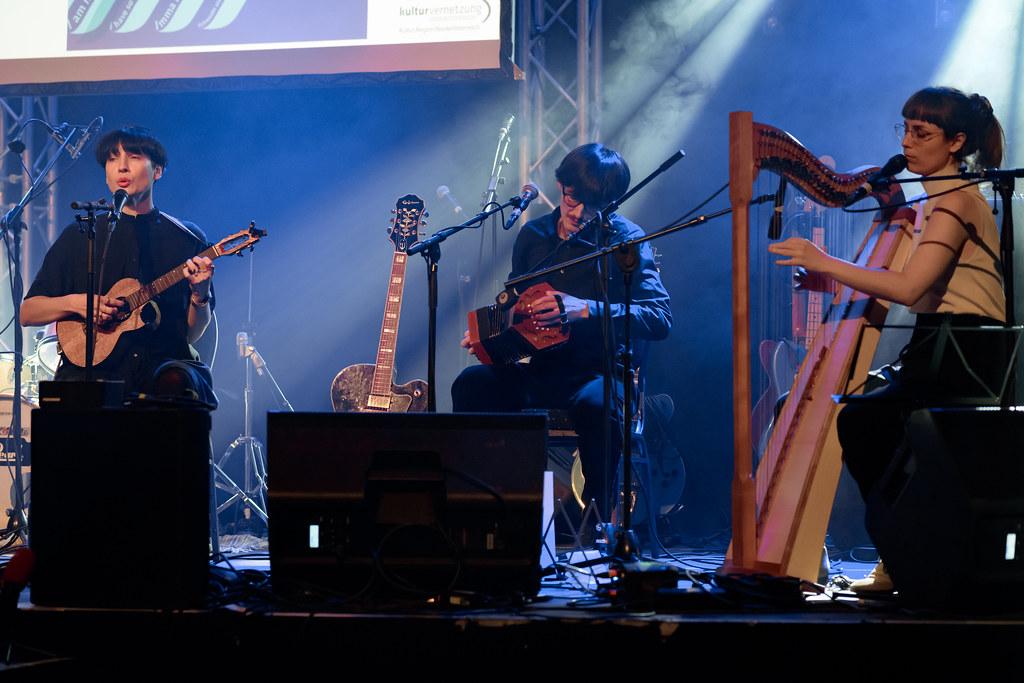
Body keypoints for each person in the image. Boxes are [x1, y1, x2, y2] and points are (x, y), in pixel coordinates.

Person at [768, 87, 1007, 590]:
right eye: (905, 129)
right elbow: (920, 290)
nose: (907, 142)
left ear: (956, 142)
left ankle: (901, 554)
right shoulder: (933, 202)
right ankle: (894, 550)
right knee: (811, 403)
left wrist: (825, 261)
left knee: (862, 421)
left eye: (922, 133)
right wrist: (832, 279)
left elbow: (910, 288)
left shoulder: (957, 201)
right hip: (935, 343)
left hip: (967, 350)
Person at [451, 143, 672, 521]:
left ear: (611, 204)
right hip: (541, 370)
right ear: (560, 186)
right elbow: (514, 304)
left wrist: (586, 309)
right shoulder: (534, 235)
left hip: (600, 374)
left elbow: (659, 317)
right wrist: (489, 337)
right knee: (472, 383)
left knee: (597, 405)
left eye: (593, 206)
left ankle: (597, 524)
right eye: (572, 199)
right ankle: (488, 509)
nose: (579, 213)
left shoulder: (626, 240)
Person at [21, 125, 217, 405]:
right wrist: (78, 304)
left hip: (160, 381)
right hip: (90, 379)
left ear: (157, 170)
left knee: (179, 386)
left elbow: (191, 334)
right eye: (112, 159)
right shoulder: (81, 234)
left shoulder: (186, 239)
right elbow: (29, 312)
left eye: (134, 157)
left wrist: (200, 294)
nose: (122, 167)